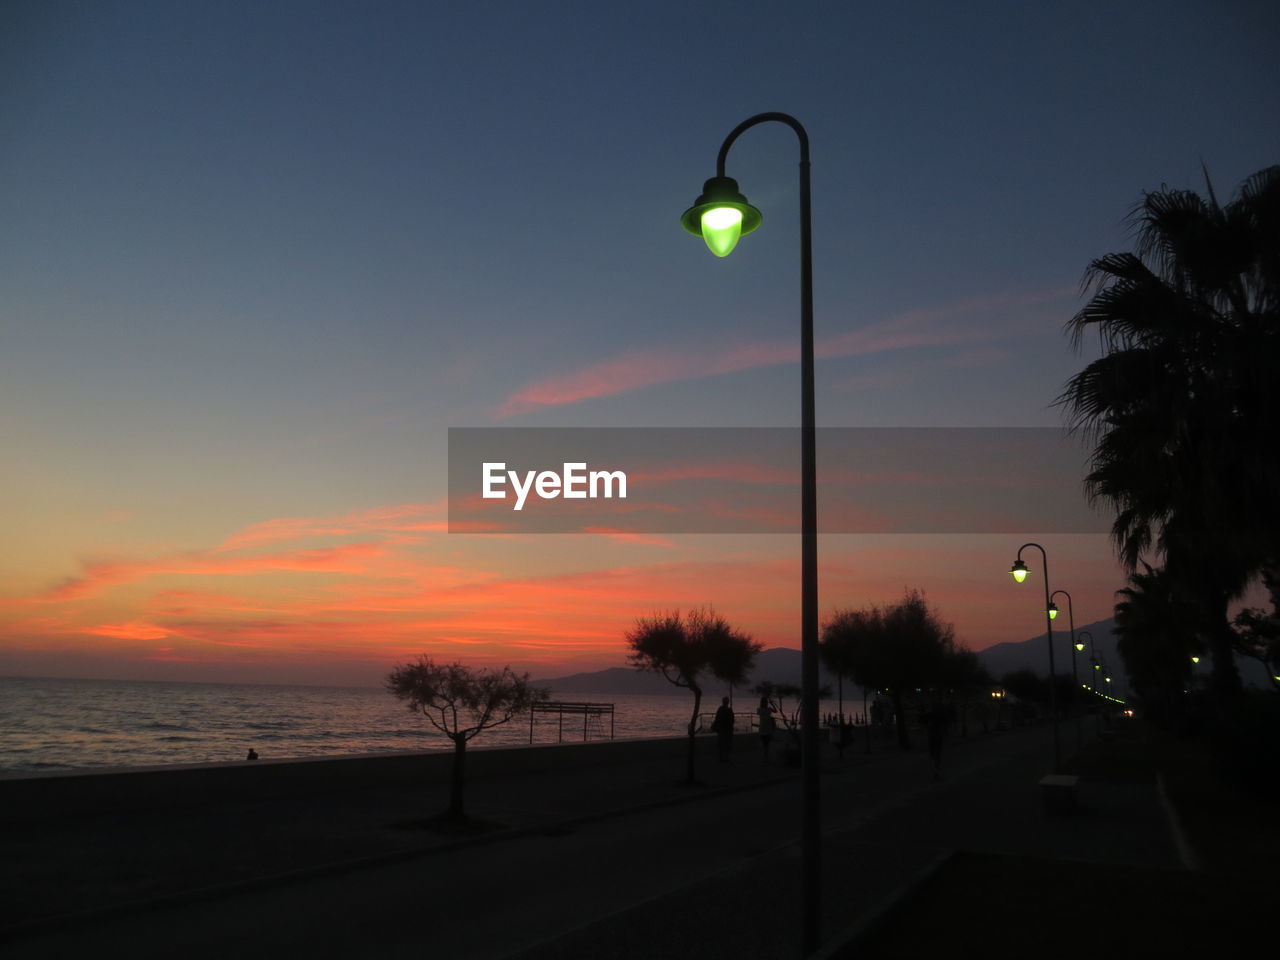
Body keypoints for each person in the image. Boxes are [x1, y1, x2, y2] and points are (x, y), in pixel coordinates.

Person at [711, 696, 735, 762]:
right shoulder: (729, 710)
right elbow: (732, 720)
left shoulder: (720, 709)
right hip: (728, 730)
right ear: (728, 702)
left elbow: (717, 719)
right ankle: (726, 757)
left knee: (721, 744)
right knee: (727, 744)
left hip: (722, 730)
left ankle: (721, 757)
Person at [756, 694, 776, 760]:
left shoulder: (759, 709)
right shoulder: (769, 709)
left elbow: (758, 713)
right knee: (767, 742)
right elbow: (775, 711)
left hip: (762, 727)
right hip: (768, 727)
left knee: (764, 742)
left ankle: (765, 754)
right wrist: (772, 704)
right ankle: (766, 754)